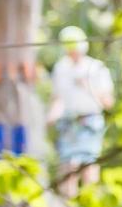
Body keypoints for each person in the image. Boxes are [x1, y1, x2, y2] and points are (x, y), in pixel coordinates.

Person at [47, 27, 114, 197]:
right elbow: (58, 99)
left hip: (90, 122)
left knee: (89, 166)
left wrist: (88, 86)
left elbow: (108, 103)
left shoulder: (95, 68)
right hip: (68, 123)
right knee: (68, 166)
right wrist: (51, 117)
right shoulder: (61, 68)